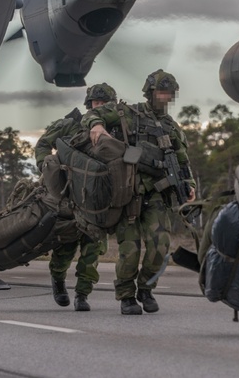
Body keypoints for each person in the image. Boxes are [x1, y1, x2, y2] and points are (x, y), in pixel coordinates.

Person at [82, 70, 195, 315]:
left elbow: (182, 160)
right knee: (129, 249)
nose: (163, 97)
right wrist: (98, 125)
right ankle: (126, 296)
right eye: (159, 92)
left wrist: (189, 184)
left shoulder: (170, 127)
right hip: (128, 192)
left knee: (160, 246)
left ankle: (146, 288)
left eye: (168, 93)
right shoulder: (129, 114)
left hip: (157, 194)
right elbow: (93, 114)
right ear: (149, 93)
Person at [35, 83, 117, 312]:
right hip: (69, 197)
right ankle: (59, 281)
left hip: (98, 203)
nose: (98, 106)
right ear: (88, 104)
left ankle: (82, 294)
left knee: (92, 251)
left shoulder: (117, 132)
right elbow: (43, 144)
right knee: (66, 246)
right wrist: (46, 167)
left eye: (104, 104)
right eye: (95, 103)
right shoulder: (69, 125)